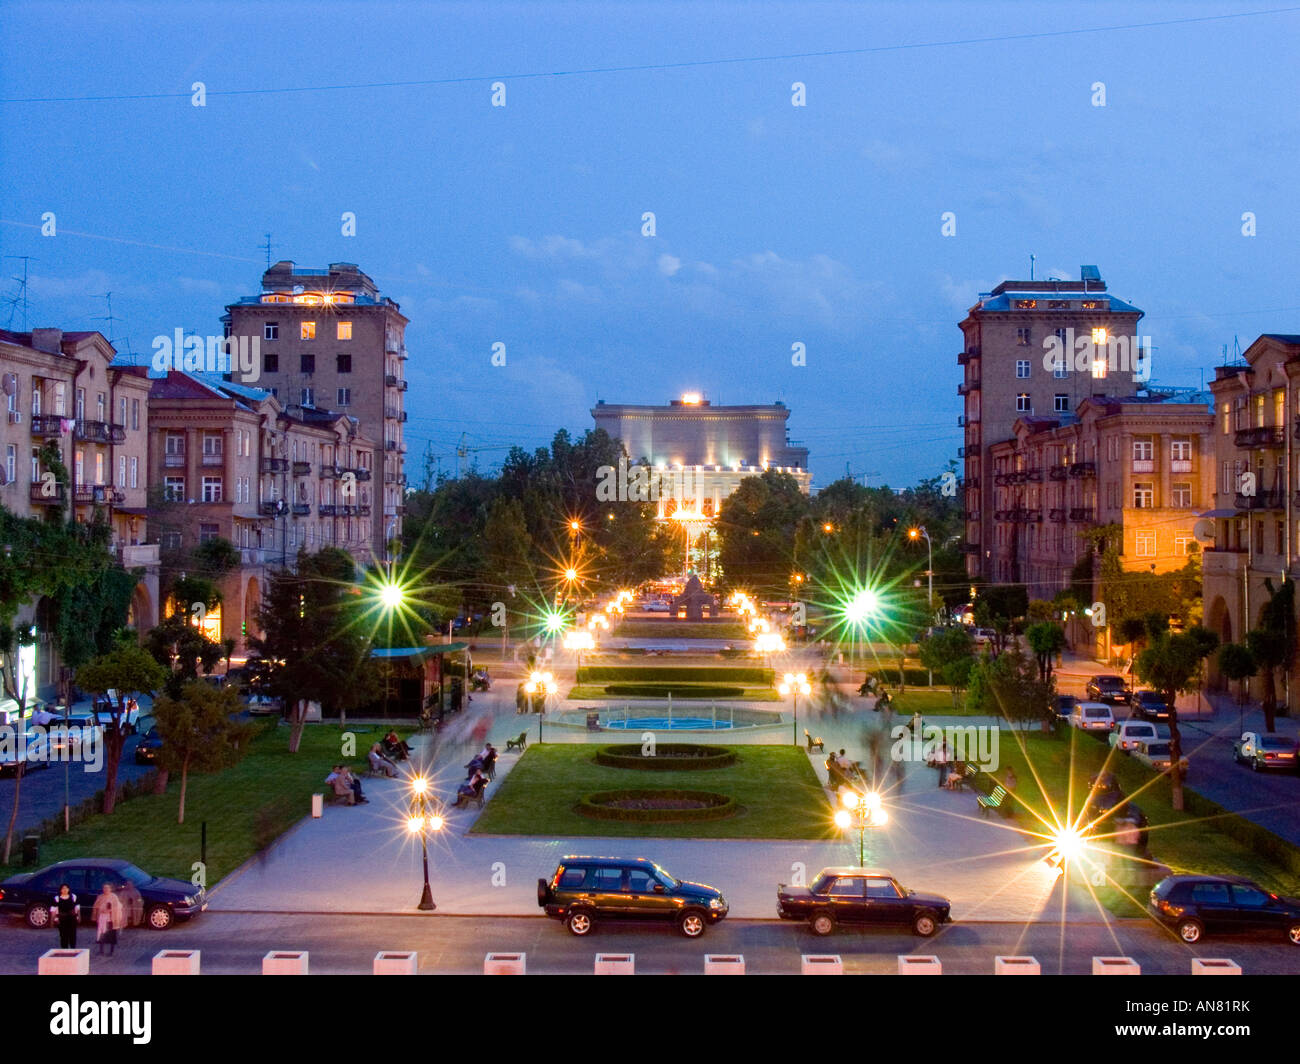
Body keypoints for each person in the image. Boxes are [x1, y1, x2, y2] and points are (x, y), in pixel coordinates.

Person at [92, 883, 124, 956]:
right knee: (102, 934)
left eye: (107, 888)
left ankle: (111, 951)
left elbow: (118, 907)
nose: (106, 890)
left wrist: (110, 910)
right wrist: (100, 911)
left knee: (112, 935)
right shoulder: (100, 897)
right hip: (102, 918)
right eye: (104, 888)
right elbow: (96, 906)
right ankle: (101, 950)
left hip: (111, 919)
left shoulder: (114, 897)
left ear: (110, 889)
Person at [51, 884, 79, 949]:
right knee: (63, 935)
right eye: (63, 888)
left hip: (72, 918)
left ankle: (73, 949)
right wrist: (53, 920)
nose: (65, 890)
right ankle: (64, 949)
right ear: (60, 890)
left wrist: (78, 917)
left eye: (66, 888)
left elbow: (77, 907)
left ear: (68, 889)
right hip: (62, 918)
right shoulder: (57, 898)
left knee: (72, 935)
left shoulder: (73, 896)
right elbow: (53, 910)